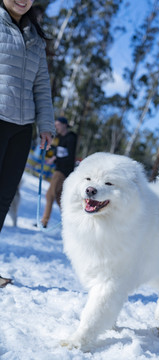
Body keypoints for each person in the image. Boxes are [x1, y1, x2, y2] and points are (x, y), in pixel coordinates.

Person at [0, 0, 55, 286]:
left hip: (22, 128)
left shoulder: (34, 35)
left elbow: (42, 85)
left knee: (4, 196)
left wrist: (46, 124)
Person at [41, 117, 77, 228]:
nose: (56, 127)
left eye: (58, 125)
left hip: (63, 171)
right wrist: (52, 157)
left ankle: (44, 222)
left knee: (49, 195)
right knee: (58, 197)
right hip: (59, 168)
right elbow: (58, 152)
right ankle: (71, 222)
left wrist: (55, 159)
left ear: (65, 125)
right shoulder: (59, 138)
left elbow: (70, 158)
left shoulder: (71, 138)